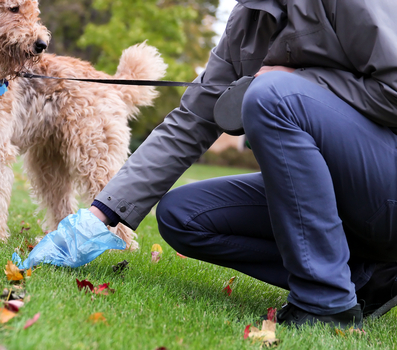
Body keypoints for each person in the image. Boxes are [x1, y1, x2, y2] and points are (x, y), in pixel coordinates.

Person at [80, 0, 397, 329]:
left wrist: (301, 81)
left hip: (386, 187)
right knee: (182, 216)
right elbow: (192, 119)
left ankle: (325, 302)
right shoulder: (248, 18)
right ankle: (365, 276)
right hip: (343, 195)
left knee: (272, 95)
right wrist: (97, 217)